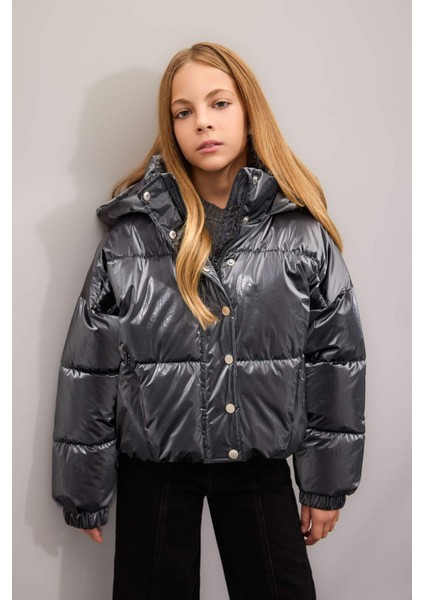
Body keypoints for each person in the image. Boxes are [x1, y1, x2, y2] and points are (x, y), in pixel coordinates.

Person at [51, 41, 366, 600]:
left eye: (219, 103)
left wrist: (326, 484)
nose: (203, 122)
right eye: (184, 111)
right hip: (155, 465)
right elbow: (90, 365)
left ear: (248, 111)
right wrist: (84, 487)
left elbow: (335, 361)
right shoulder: (132, 238)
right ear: (171, 126)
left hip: (257, 463)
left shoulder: (300, 235)